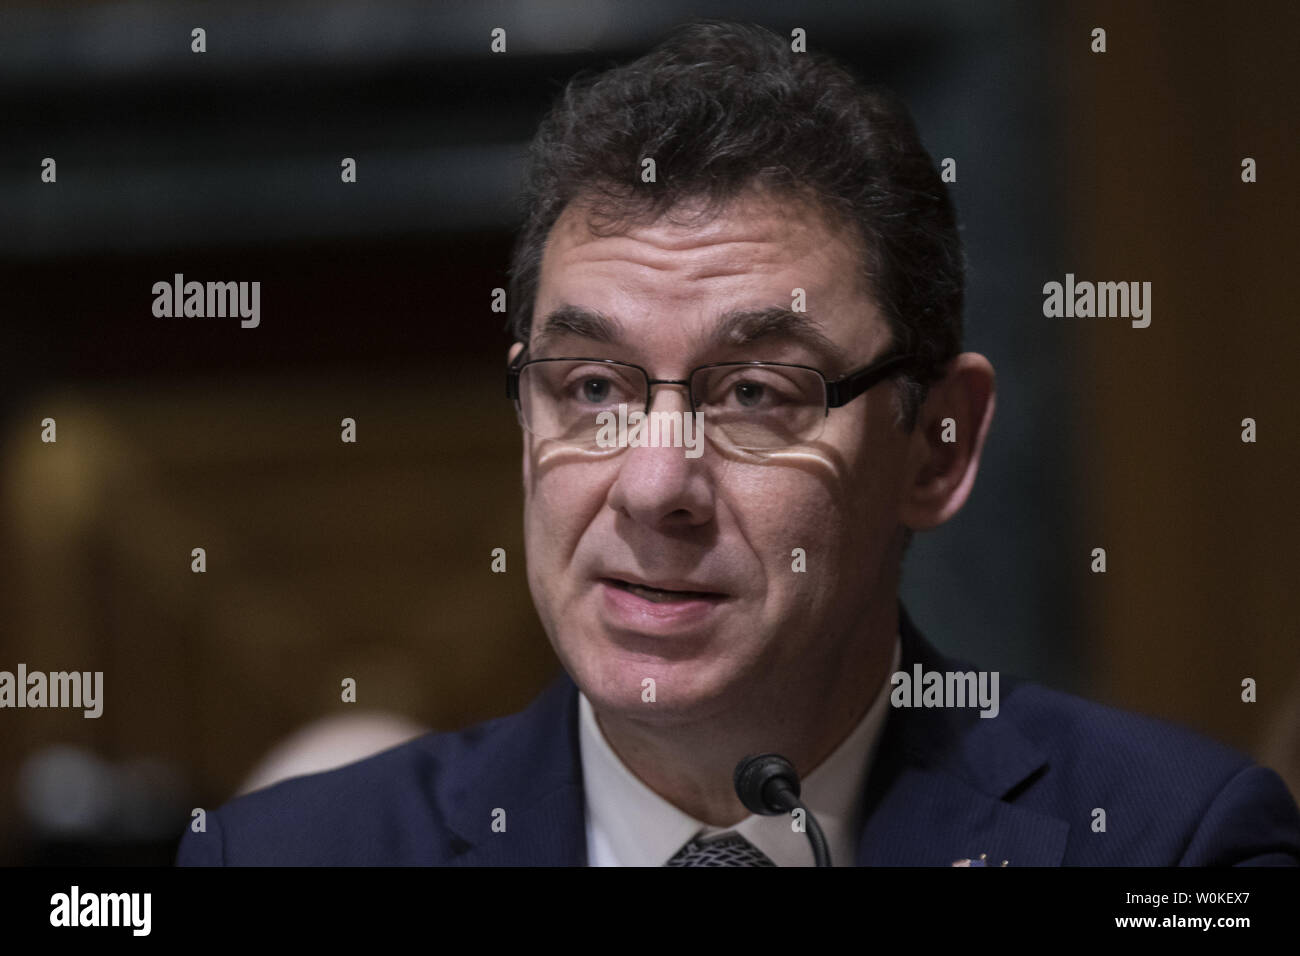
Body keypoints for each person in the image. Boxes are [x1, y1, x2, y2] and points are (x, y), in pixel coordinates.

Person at [176, 20, 1300, 866]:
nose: (655, 483)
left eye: (757, 391)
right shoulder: (286, 856)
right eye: (592, 385)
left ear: (937, 446)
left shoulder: (1171, 845)